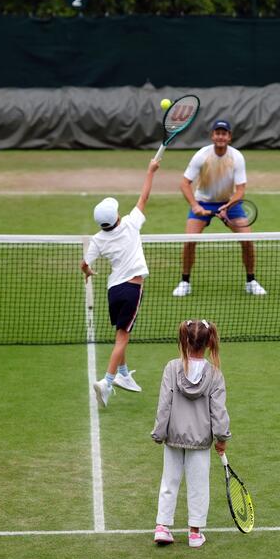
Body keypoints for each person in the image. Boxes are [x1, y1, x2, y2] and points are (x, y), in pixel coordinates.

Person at [81, 158, 161, 408]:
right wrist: (150, 170)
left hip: (113, 290)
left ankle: (124, 375)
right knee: (122, 339)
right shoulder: (130, 223)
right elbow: (144, 197)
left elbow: (84, 264)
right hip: (131, 289)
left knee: (120, 333)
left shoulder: (96, 239)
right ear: (116, 216)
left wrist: (88, 272)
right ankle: (107, 382)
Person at [151, 319, 231, 549]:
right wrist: (222, 438)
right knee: (199, 485)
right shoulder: (215, 374)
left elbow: (164, 405)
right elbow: (219, 411)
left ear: (185, 340)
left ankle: (162, 527)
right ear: (208, 343)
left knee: (169, 481)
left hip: (173, 437)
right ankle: (194, 533)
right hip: (200, 440)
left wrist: (159, 433)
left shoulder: (171, 368)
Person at [171, 119, 267, 297]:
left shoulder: (236, 157)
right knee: (189, 241)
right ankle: (185, 282)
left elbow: (240, 189)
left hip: (229, 203)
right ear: (212, 136)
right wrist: (195, 205)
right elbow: (184, 184)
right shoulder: (202, 155)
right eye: (218, 133)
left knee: (248, 240)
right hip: (203, 201)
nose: (220, 136)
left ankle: (251, 281)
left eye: (224, 133)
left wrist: (228, 206)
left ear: (229, 137)